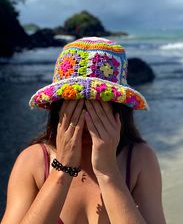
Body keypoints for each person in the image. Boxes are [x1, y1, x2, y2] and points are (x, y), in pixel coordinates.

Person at [1, 37, 166, 224]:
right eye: (76, 110)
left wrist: (107, 172)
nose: (85, 123)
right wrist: (61, 171)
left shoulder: (139, 159)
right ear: (58, 109)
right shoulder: (33, 161)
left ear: (118, 112)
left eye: (97, 112)